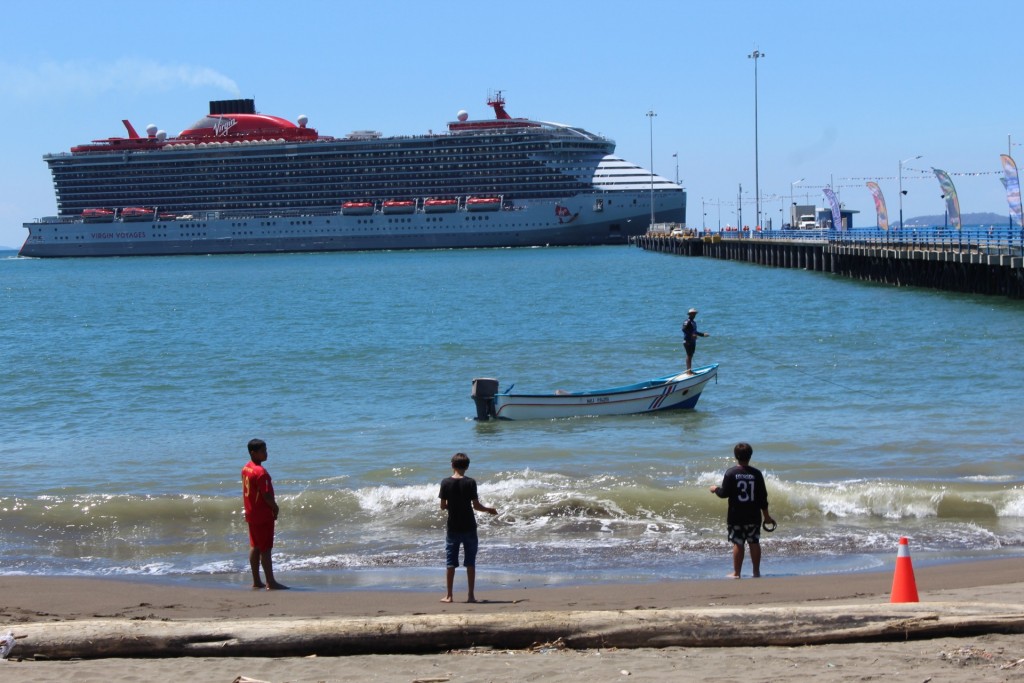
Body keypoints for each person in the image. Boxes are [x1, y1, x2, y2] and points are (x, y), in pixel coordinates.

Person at [438, 452, 498, 603]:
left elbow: (442, 506)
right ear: (467, 467)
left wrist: (451, 505)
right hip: (469, 526)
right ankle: (471, 596)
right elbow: (476, 506)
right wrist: (489, 509)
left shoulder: (445, 482)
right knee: (470, 562)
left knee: (450, 563)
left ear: (452, 465)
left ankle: (449, 595)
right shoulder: (471, 482)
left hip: (453, 527)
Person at [709, 442, 775, 578]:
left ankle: (737, 573)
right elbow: (763, 497)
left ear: (735, 456)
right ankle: (756, 572)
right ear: (750, 456)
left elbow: (724, 494)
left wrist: (715, 489)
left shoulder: (731, 473)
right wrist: (767, 517)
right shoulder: (756, 474)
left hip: (736, 516)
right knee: (754, 542)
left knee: (738, 543)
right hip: (753, 516)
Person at [241, 438, 288, 590]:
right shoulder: (261, 473)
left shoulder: (246, 468)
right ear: (253, 453)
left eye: (266, 450)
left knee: (255, 546)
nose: (266, 453)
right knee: (265, 548)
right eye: (262, 451)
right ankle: (270, 581)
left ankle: (256, 580)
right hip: (262, 514)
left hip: (251, 512)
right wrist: (275, 508)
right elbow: (266, 496)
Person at [682, 307, 709, 374]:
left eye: (695, 314)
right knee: (689, 355)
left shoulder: (693, 322)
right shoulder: (687, 321)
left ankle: (690, 370)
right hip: (687, 341)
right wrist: (691, 335)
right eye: (693, 314)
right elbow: (684, 329)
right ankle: (688, 371)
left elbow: (695, 332)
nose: (694, 315)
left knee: (691, 355)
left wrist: (703, 334)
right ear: (690, 314)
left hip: (693, 341)